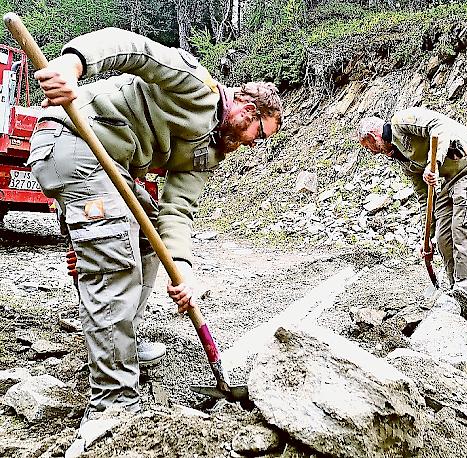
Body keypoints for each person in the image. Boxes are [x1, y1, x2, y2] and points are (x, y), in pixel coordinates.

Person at [28, 27, 283, 418]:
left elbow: (177, 211)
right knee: (115, 264)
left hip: (112, 168)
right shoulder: (196, 85)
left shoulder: (208, 152)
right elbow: (134, 49)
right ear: (249, 111)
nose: (253, 143)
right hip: (73, 139)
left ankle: (119, 346)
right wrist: (71, 64)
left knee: (147, 240)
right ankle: (114, 402)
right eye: (259, 134)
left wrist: (182, 272)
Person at [357, 107, 467, 324]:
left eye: (372, 147)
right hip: (452, 178)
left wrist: (435, 163)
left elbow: (440, 127)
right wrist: (428, 235)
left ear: (374, 136)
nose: (375, 153)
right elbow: (424, 196)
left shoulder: (402, 122)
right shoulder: (402, 158)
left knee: (464, 229)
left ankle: (465, 299)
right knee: (444, 238)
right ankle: (452, 292)